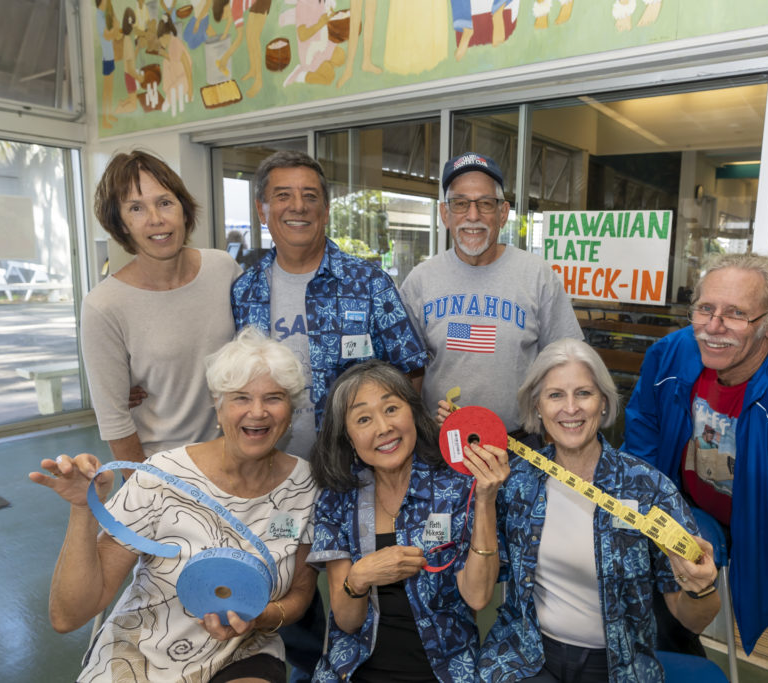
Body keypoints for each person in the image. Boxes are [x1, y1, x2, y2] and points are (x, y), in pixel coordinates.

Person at [231, 149, 428, 680]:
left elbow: (409, 372)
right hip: (279, 476)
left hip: (357, 475)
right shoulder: (245, 290)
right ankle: (297, 666)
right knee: (289, 574)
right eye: (283, 196)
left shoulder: (367, 282)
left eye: (310, 196)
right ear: (263, 208)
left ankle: (356, 663)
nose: (297, 207)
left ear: (326, 208)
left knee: (358, 584)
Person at [29, 328, 319, 682]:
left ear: (291, 409)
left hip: (242, 650)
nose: (257, 412)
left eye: (273, 397)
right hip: (143, 649)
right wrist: (82, 509)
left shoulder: (306, 486)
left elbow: (301, 591)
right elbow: (67, 616)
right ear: (218, 404)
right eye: (240, 397)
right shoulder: (161, 476)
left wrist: (262, 618)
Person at [623, 253, 768, 682]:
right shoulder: (671, 355)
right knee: (653, 621)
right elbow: (643, 441)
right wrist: (650, 514)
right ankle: (687, 655)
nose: (713, 326)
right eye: (705, 308)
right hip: (691, 510)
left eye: (736, 314)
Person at [478, 338, 720, 682]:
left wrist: (701, 587)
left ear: (604, 404)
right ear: (537, 407)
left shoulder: (648, 488)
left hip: (617, 668)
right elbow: (478, 592)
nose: (571, 408)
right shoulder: (516, 482)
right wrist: (483, 500)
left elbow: (694, 619)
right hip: (527, 657)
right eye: (555, 395)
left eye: (584, 394)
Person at [307, 359, 509, 681]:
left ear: (413, 413)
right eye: (363, 418)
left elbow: (478, 596)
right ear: (348, 438)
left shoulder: (456, 486)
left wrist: (484, 500)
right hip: (356, 669)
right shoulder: (338, 499)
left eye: (391, 409)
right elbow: (347, 622)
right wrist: (360, 576)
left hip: (444, 670)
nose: (383, 428)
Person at [399, 152, 582, 435]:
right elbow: (408, 373)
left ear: (503, 213)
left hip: (520, 446)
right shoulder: (420, 282)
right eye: (460, 204)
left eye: (485, 203)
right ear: (445, 214)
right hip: (441, 445)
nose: (473, 216)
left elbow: (568, 363)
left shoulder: (538, 276)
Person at [81, 150, 240, 464]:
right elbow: (114, 420)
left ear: (183, 209)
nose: (156, 219)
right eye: (136, 208)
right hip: (164, 468)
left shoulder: (223, 269)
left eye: (165, 202)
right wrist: (145, 489)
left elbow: (253, 351)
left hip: (234, 458)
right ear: (121, 224)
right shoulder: (104, 306)